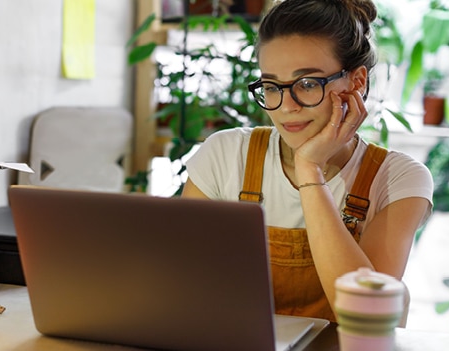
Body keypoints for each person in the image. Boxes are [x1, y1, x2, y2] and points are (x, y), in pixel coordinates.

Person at [181, 0, 433, 323]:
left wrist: (310, 171)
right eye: (272, 86)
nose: (286, 106)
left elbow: (367, 315)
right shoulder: (225, 155)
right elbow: (181, 287)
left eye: (307, 84)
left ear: (356, 82)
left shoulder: (398, 179)